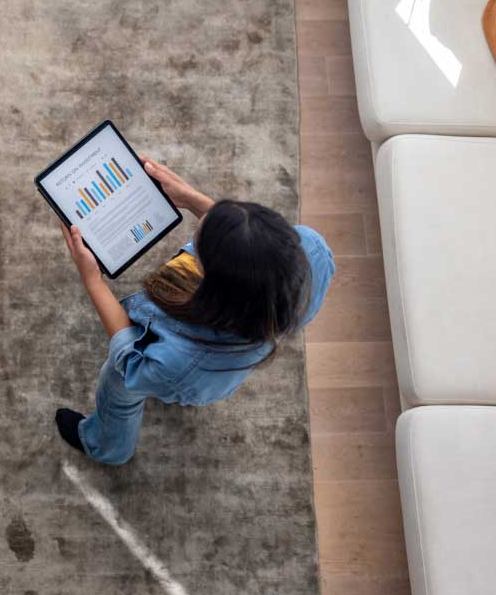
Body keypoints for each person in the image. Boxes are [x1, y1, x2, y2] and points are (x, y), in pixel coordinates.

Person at [54, 156, 335, 465]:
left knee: (118, 382)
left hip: (195, 374)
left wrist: (92, 279)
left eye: (199, 249)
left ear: (212, 287)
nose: (198, 227)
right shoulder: (311, 247)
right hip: (249, 327)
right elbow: (250, 244)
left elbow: (131, 361)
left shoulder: (181, 363)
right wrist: (189, 198)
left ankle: (108, 447)